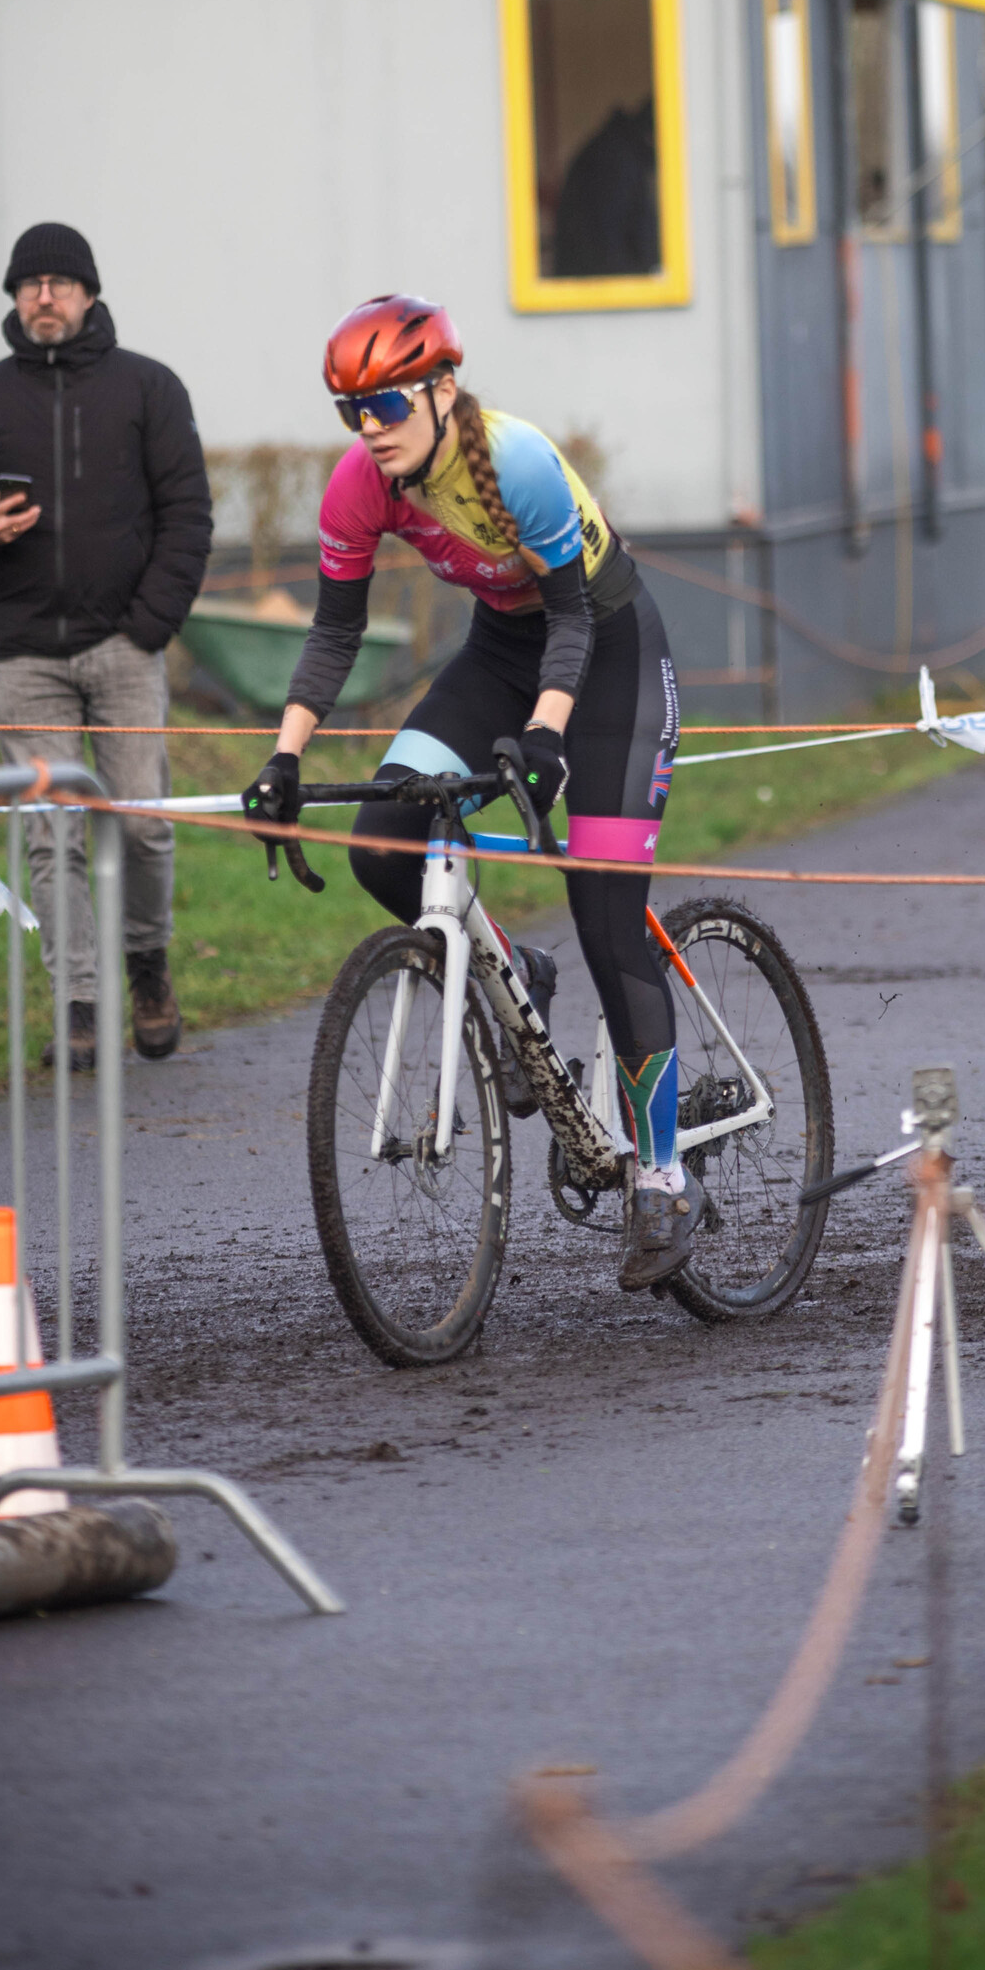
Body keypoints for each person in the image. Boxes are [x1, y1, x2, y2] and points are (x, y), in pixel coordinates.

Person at [241, 294, 697, 1291]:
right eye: (349, 411)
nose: (370, 430)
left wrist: (544, 733)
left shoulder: (518, 461)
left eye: (388, 404)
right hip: (499, 650)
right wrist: (282, 757)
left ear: (443, 390)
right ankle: (513, 969)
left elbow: (571, 619)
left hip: (607, 656)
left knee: (607, 914)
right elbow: (332, 635)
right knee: (387, 841)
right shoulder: (360, 485)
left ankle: (659, 1176)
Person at [0, 221, 213, 1070]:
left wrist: (147, 626)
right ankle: (80, 1006)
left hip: (125, 649)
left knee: (144, 826)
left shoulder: (148, 389)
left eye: (59, 283)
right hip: (24, 656)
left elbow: (188, 519)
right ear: (14, 299)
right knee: (55, 836)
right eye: (29, 284)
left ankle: (149, 966)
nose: (43, 296)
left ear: (89, 295)